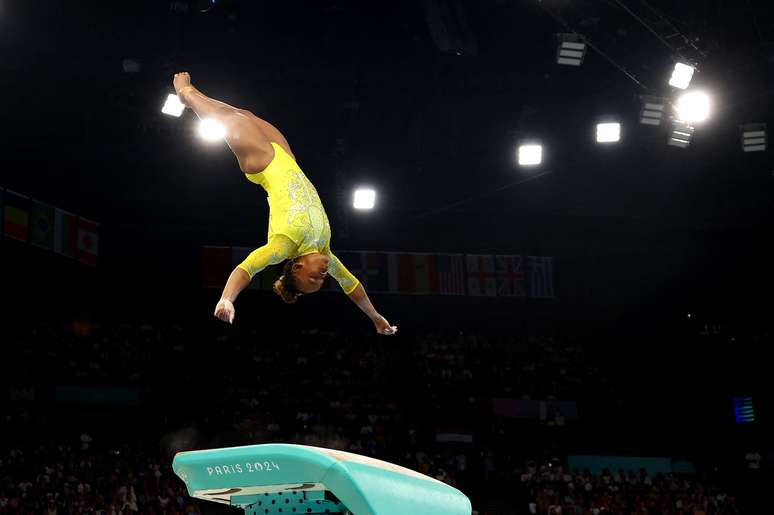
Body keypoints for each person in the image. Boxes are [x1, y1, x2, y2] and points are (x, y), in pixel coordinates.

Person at [173, 72, 397, 335]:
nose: (322, 275)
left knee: (230, 121)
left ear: (298, 267)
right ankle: (194, 96)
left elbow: (247, 268)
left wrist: (227, 299)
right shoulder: (324, 250)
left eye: (313, 278)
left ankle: (186, 93)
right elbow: (352, 286)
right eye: (321, 280)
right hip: (286, 158)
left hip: (263, 164)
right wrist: (375, 317)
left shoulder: (284, 244)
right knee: (245, 114)